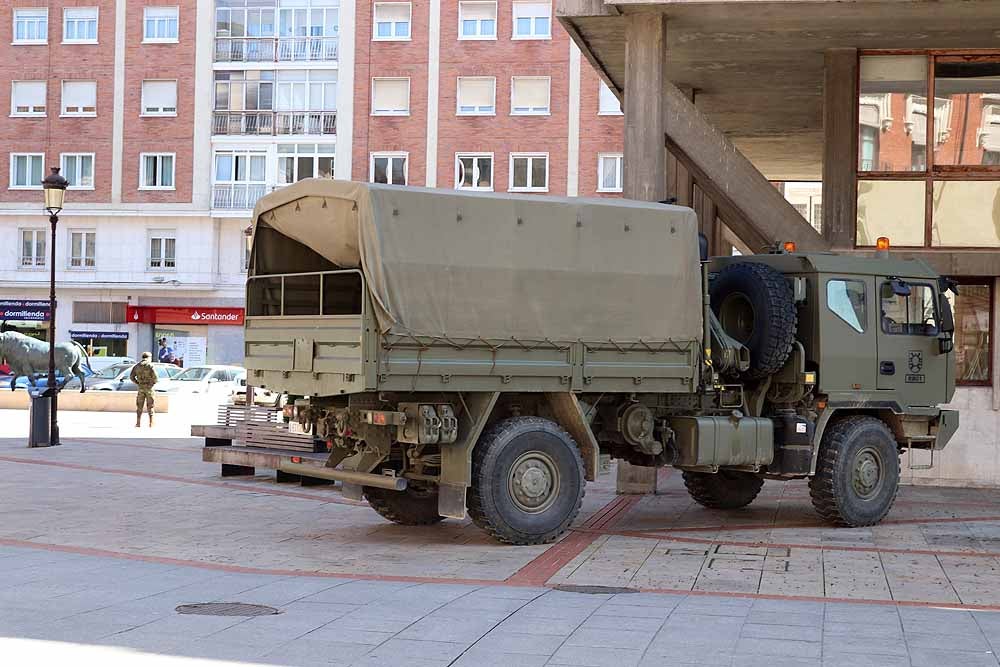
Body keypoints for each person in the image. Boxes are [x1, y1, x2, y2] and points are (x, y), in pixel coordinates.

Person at [130, 352, 158, 428]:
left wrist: (138, 383)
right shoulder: (150, 365)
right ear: (149, 357)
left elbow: (132, 377)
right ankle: (151, 423)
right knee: (150, 406)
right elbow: (156, 377)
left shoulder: (137, 366)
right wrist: (152, 383)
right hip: (149, 388)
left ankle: (138, 423)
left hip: (141, 388)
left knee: (139, 406)